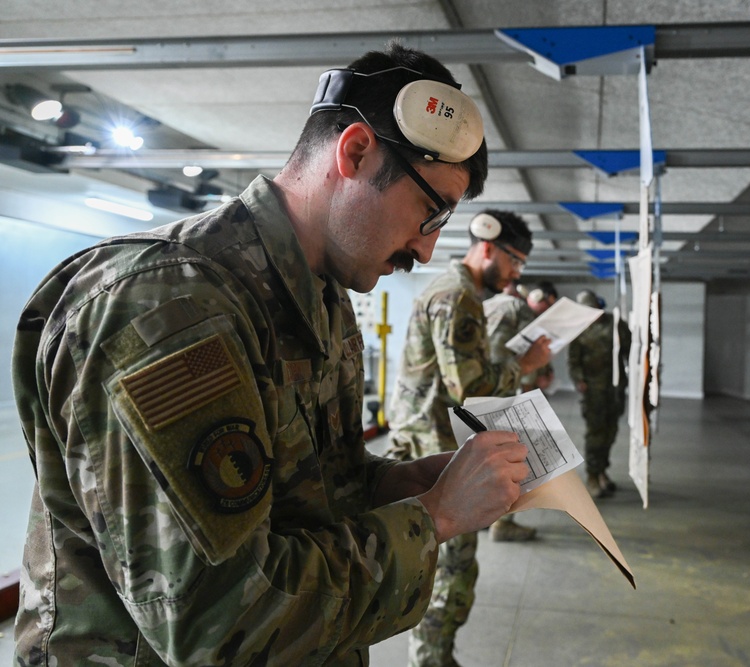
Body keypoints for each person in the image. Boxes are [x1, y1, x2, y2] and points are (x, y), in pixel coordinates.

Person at [10, 43, 534, 666]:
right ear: (355, 152)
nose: (426, 250)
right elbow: (217, 622)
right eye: (431, 211)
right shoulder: (170, 306)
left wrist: (395, 485)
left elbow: (305, 490)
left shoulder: (321, 294)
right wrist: (433, 516)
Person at [386, 210, 552, 666]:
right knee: (451, 571)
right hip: (432, 444)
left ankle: (435, 655)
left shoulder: (460, 293)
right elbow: (469, 386)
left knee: (447, 566)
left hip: (431, 438)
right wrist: (524, 364)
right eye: (514, 260)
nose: (517, 273)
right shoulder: (458, 297)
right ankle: (430, 659)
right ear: (487, 247)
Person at [481, 279, 543, 542]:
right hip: (506, 388)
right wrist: (530, 389)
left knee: (480, 456)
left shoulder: (484, 305)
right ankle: (502, 523)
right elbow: (531, 353)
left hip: (480, 388)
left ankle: (482, 516)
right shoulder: (520, 309)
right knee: (510, 459)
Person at [568, 289, 631, 498]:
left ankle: (603, 470)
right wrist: (579, 380)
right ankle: (592, 476)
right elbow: (573, 361)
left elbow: (630, 350)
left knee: (610, 432)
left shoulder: (615, 324)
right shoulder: (579, 329)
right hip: (593, 391)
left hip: (615, 388)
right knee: (595, 433)